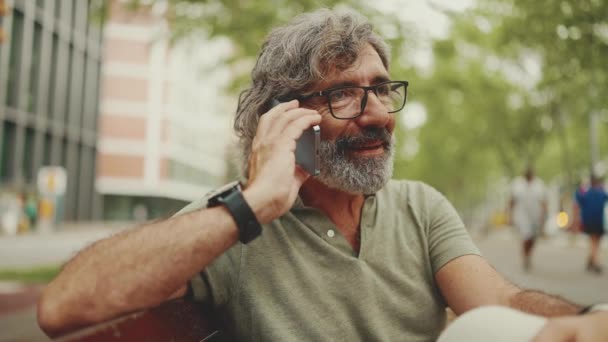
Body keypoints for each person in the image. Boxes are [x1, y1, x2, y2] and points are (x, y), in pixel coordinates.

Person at [37, 8, 608, 341]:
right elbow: (62, 307)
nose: (379, 114)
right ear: (285, 119)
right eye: (344, 94)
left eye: (382, 89)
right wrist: (254, 204)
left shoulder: (419, 206)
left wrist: (587, 320)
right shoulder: (233, 222)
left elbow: (496, 304)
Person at [509, 166, 548, 271]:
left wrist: (544, 215)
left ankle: (528, 254)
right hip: (522, 216)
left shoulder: (539, 184)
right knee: (526, 236)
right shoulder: (517, 184)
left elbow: (544, 201)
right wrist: (510, 215)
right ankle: (525, 257)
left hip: (536, 216)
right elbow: (512, 200)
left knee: (533, 239)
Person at [574, 174, 607, 274]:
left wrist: (581, 186)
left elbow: (577, 196)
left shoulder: (585, 194)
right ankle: (596, 262)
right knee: (595, 242)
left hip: (588, 221)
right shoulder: (601, 193)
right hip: (598, 221)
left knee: (593, 241)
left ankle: (591, 260)